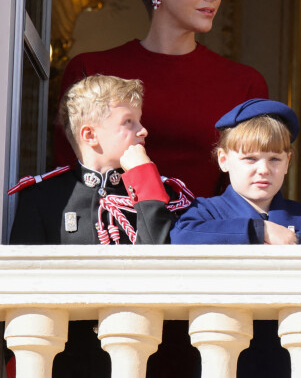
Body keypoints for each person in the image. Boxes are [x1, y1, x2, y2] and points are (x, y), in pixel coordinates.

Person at [55, 0, 268, 199]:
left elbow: (252, 188)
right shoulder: (91, 71)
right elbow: (69, 179)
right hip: (110, 235)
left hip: (206, 236)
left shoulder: (244, 84)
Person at [9, 74, 194, 377]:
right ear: (90, 134)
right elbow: (23, 292)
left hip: (147, 360)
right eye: (129, 122)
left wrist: (145, 180)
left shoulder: (159, 192)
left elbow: (162, 267)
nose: (143, 130)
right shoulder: (44, 197)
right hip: (68, 362)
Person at [171, 98, 301, 376]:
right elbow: (181, 238)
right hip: (221, 351)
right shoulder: (205, 212)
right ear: (224, 160)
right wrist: (258, 231)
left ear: (288, 162)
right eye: (250, 159)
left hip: (293, 354)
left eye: (275, 159)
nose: (264, 169)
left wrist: (299, 242)